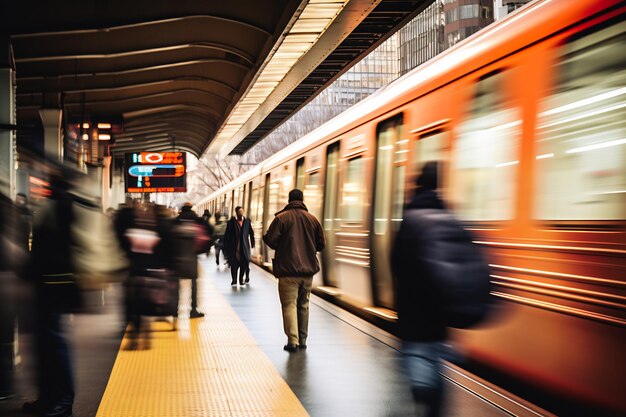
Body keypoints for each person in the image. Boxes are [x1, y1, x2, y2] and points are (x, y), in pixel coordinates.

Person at [391, 161, 491, 417]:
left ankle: (421, 389)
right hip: (440, 317)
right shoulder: (449, 217)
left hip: (413, 315)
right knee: (436, 361)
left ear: (417, 184)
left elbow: (397, 264)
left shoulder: (410, 219)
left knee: (416, 357)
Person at [24, 174, 77, 417]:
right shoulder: (59, 207)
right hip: (51, 285)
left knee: (54, 343)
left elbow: (49, 252)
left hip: (54, 285)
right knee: (46, 344)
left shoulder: (60, 208)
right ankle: (48, 397)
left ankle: (62, 401)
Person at [263, 189, 325, 352]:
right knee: (304, 305)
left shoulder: (281, 218)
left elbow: (270, 240)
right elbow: (321, 244)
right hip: (308, 272)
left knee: (289, 305)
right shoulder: (313, 219)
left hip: (288, 270)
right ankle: (303, 340)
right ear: (302, 200)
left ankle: (292, 341)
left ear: (289, 200)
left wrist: (284, 245)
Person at [172, 203, 207, 318]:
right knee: (194, 285)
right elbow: (209, 230)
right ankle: (193, 310)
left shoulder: (176, 222)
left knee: (177, 285)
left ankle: (174, 310)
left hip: (178, 258)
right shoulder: (196, 221)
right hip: (192, 257)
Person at [223, 206, 254, 286]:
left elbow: (251, 232)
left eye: (242, 211)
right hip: (234, 247)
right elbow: (227, 235)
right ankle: (234, 279)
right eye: (239, 211)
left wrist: (252, 242)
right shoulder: (231, 222)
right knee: (234, 264)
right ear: (236, 213)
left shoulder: (247, 221)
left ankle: (241, 280)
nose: (241, 213)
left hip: (244, 247)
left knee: (243, 264)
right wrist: (226, 247)